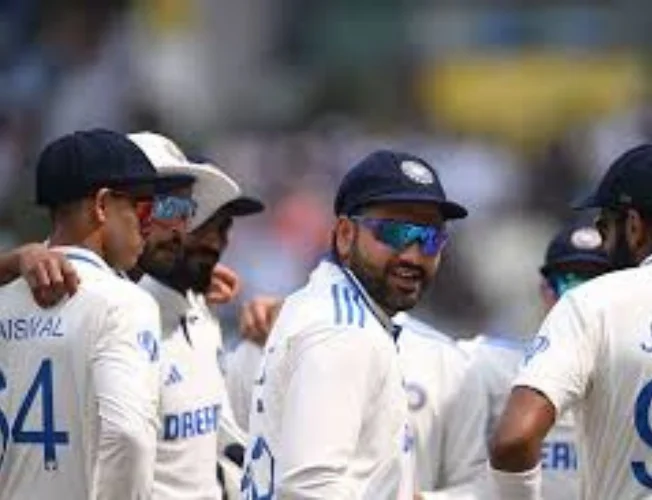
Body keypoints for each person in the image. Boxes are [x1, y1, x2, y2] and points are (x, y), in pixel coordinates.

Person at [241, 150, 468, 499]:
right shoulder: (345, 331)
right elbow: (309, 487)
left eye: (430, 238)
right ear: (345, 235)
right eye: (394, 233)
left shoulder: (328, 306)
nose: (412, 255)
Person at [0, 129, 194, 499]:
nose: (151, 224)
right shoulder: (124, 302)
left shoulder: (6, 294)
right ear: (102, 205)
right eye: (144, 208)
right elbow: (128, 437)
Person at [489, 144, 652, 499]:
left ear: (635, 227)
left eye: (605, 227)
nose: (604, 244)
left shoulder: (593, 303)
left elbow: (514, 439)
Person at [128, 131, 264, 499]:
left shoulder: (201, 309)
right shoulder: (120, 317)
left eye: (224, 227)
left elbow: (219, 439)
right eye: (203, 225)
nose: (215, 242)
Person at [460, 219, 610, 499]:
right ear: (546, 290)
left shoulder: (638, 368)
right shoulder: (489, 365)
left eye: (600, 284)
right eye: (572, 284)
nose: (586, 300)